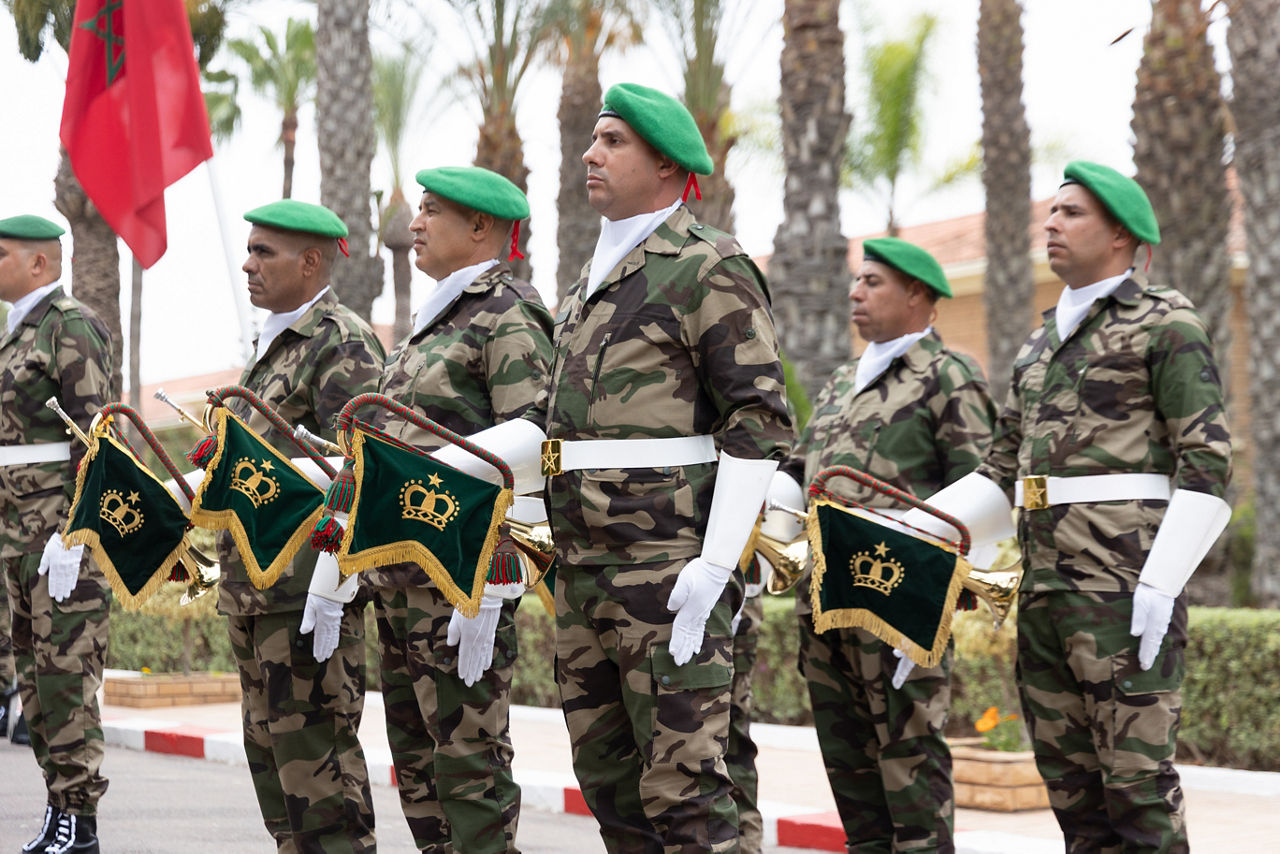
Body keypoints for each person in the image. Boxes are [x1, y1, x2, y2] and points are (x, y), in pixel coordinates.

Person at [910, 162, 1232, 852]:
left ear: (1121, 234)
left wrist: (1162, 580)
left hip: (1125, 590)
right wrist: (912, 532)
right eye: (1052, 212)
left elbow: (1206, 461)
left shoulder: (1165, 323)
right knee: (1075, 799)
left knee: (1139, 794)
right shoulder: (1039, 342)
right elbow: (998, 473)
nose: (1051, 224)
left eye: (1072, 213)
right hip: (1048, 595)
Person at [544, 82, 794, 853]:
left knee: (687, 794)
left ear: (665, 165)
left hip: (669, 570)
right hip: (585, 573)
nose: (591, 153)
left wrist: (717, 564)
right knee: (613, 794)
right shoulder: (582, 288)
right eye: (593, 139)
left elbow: (759, 418)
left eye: (613, 141)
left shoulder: (706, 265)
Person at [779, 237, 997, 853]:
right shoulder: (842, 381)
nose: (856, 293)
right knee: (851, 773)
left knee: (911, 770)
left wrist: (934, 605)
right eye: (857, 281)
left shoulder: (948, 375)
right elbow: (799, 472)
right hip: (825, 601)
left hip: (900, 602)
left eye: (873, 282)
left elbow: (981, 490)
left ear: (918, 295)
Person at [362, 166, 553, 852]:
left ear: (480, 227)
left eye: (430, 211)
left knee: (470, 769)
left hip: (462, 581)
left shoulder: (507, 309)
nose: (414, 223)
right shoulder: (429, 325)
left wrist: (499, 584)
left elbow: (530, 440)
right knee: (418, 771)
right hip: (401, 579)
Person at [218, 200, 386, 852]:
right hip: (258, 594)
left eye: (265, 252)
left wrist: (333, 580)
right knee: (276, 775)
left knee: (320, 778)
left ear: (310, 261)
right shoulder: (273, 343)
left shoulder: (340, 343)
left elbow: (365, 471)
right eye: (250, 249)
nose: (248, 263)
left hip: (307, 598)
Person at [0, 214, 116, 852]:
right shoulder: (18, 334)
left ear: (39, 263)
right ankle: (58, 810)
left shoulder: (68, 325)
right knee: (38, 685)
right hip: (21, 539)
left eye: (2, 255)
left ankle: (80, 819)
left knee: (67, 682)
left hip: (59, 541)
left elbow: (96, 438)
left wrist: (78, 531)